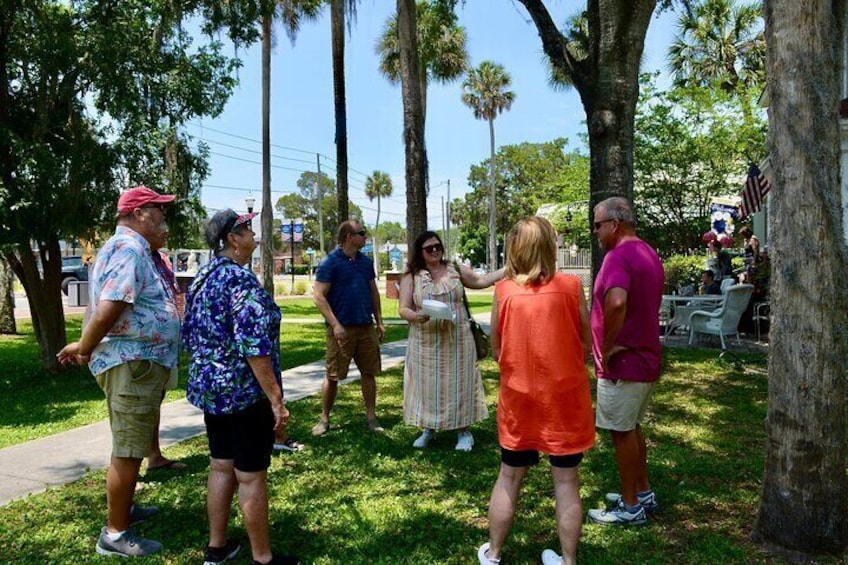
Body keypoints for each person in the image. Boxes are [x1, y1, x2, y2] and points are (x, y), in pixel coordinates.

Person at [57, 186, 180, 557]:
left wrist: (86, 344)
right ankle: (114, 534)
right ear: (141, 213)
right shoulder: (128, 248)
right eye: (159, 211)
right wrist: (85, 346)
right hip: (132, 362)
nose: (164, 220)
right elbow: (110, 305)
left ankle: (124, 509)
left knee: (133, 442)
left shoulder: (135, 250)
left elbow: (97, 306)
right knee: (127, 450)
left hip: (139, 361)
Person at [182, 209, 300, 565]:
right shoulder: (240, 282)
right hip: (244, 394)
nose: (253, 234)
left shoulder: (203, 277)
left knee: (220, 465)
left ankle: (216, 549)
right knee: (250, 476)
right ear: (232, 238)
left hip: (213, 392)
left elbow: (190, 333)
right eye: (247, 229)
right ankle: (262, 558)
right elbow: (254, 347)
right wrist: (276, 401)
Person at [477, 217, 594, 565]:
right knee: (567, 482)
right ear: (549, 247)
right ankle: (569, 560)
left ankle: (494, 554)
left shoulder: (504, 292)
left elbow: (497, 350)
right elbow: (586, 343)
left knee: (509, 476)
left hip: (519, 400)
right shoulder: (572, 287)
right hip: (565, 401)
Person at [587, 197, 664, 527]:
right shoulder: (647, 252)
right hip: (645, 358)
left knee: (620, 432)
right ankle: (642, 492)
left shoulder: (618, 255)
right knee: (631, 427)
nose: (595, 232)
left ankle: (630, 507)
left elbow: (617, 301)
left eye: (597, 225)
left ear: (614, 225)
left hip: (625, 365)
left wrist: (607, 346)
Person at [399, 231, 503, 451]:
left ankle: (464, 432)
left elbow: (481, 280)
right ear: (420, 252)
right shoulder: (412, 276)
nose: (435, 250)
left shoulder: (454, 268)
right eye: (429, 248)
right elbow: (403, 308)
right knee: (427, 386)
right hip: (424, 342)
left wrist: (508, 269)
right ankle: (428, 429)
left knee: (460, 384)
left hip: (457, 339)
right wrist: (416, 317)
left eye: (437, 246)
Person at [311, 220, 385, 437]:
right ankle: (325, 418)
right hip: (341, 330)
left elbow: (373, 292)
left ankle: (371, 417)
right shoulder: (330, 263)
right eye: (361, 233)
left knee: (369, 373)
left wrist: (379, 321)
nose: (365, 236)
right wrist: (335, 324)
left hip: (365, 327)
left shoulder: (365, 262)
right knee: (333, 376)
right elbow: (318, 296)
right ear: (348, 237)